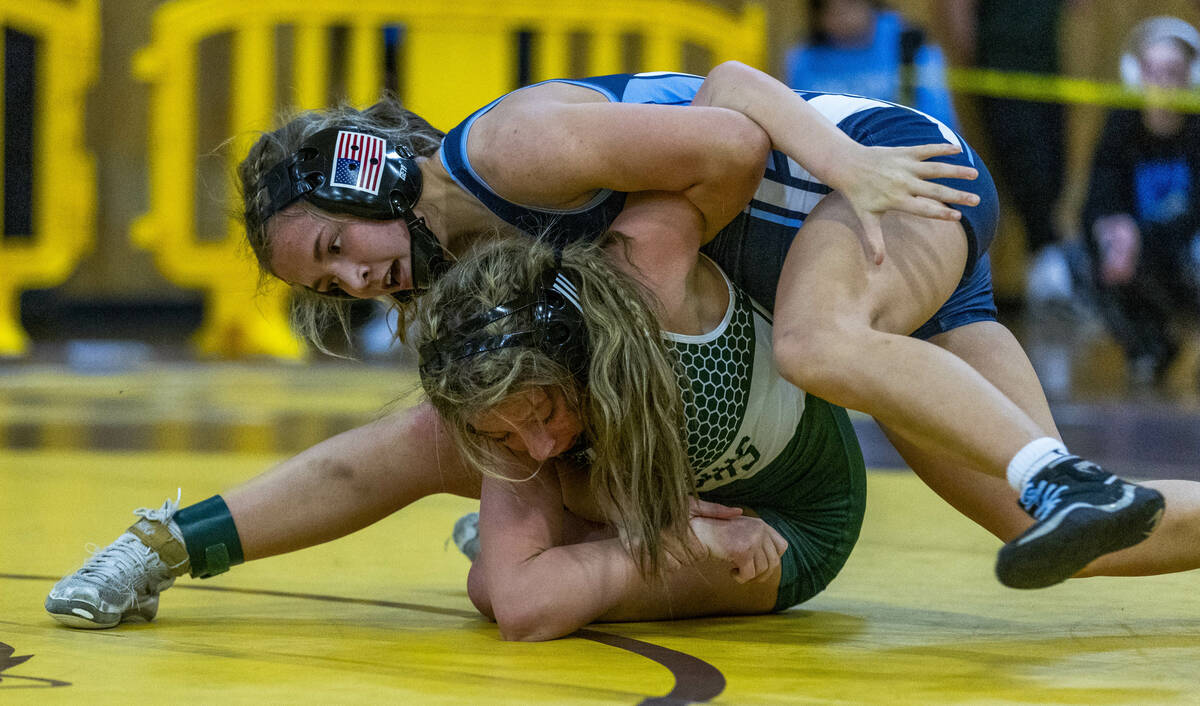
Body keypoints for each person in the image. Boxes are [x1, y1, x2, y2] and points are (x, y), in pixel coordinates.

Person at [47, 62, 1180, 629]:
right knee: (1081, 537)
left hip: (871, 185)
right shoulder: (455, 252)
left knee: (823, 339)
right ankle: (1065, 485)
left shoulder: (512, 150)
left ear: (369, 169)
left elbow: (734, 124)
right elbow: (399, 449)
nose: (353, 282)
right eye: (327, 281)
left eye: (339, 246)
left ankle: (1055, 470)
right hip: (841, 255)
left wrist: (837, 169)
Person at [417, 206, 866, 640]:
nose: (540, 448)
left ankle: (625, 534)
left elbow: (525, 613)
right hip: (683, 498)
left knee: (513, 590)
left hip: (783, 525)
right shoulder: (502, 381)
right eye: (501, 434)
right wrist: (686, 537)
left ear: (578, 358)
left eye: (546, 415)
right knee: (491, 583)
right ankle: (640, 531)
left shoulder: (654, 288)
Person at [1082, 16, 1200, 388]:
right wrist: (1110, 230)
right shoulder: (1121, 124)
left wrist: (1141, 237)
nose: (1162, 82)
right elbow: (1096, 199)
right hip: (1142, 252)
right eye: (1153, 71)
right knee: (1075, 264)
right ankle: (1150, 347)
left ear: (1190, 77)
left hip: (1184, 247)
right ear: (1136, 75)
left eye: (1172, 71)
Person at [941, 0, 1080, 306]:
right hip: (1001, 71)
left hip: (1047, 69)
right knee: (1027, 171)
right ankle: (1047, 269)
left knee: (1054, 171)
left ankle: (1052, 269)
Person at [784, 0, 958, 127]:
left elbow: (939, 119)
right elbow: (800, 123)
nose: (843, 18)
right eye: (831, 10)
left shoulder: (910, 43)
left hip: (908, 151)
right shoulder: (803, 58)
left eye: (849, 6)